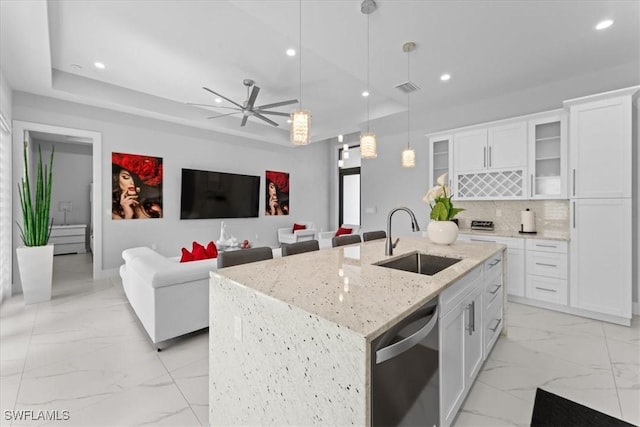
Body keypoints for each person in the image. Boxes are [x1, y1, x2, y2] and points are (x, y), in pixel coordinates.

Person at [112, 153, 163, 220]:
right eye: (126, 177)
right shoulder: (112, 211)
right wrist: (128, 214)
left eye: (136, 179)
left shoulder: (154, 209)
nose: (132, 183)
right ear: (117, 179)